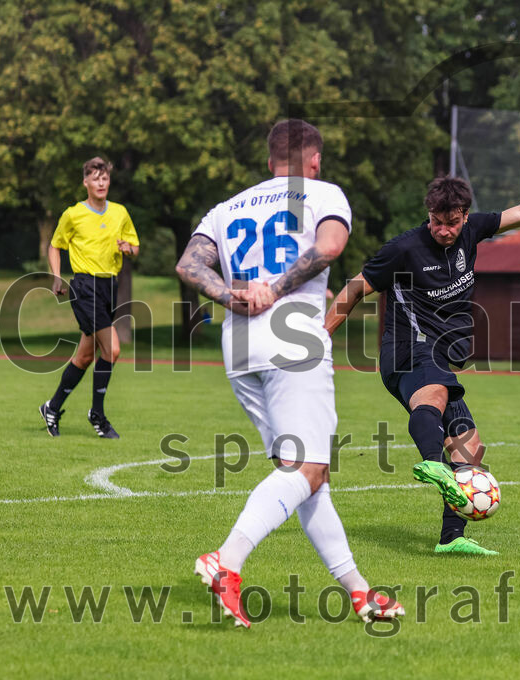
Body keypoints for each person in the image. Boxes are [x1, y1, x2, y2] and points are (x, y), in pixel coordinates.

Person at [175, 119, 403, 627]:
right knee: (308, 469)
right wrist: (276, 291)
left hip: (239, 347)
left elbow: (190, 268)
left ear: (270, 160)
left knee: (305, 474)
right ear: (314, 160)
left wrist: (234, 294)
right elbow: (329, 248)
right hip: (293, 338)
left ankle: (360, 592)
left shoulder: (228, 207)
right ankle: (226, 561)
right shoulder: (322, 193)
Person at [325, 172, 520, 556]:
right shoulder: (404, 249)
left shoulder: (474, 230)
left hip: (440, 358)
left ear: (465, 216)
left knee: (470, 448)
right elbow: (356, 286)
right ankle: (430, 463)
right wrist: (321, 336)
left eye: (452, 223)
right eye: (436, 222)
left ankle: (451, 537)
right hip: (407, 350)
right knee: (435, 394)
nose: (443, 230)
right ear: (429, 215)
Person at [39, 157, 140, 439]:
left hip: (109, 287)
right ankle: (97, 415)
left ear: (109, 182)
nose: (100, 183)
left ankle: (52, 406)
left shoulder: (120, 212)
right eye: (95, 178)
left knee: (84, 357)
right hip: (84, 286)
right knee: (113, 350)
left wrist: (128, 248)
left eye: (104, 178)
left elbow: (134, 247)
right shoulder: (73, 214)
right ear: (85, 182)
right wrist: (57, 277)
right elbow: (55, 246)